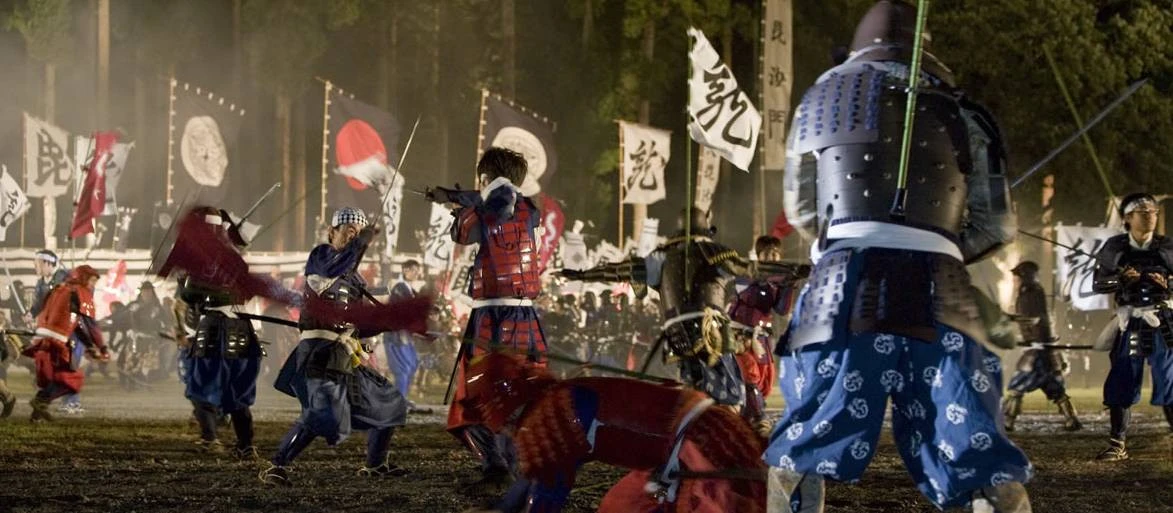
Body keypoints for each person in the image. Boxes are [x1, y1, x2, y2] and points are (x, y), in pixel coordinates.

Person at [765, 2, 1032, 511]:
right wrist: (947, 246)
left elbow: (801, 208)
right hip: (942, 287)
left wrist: (843, 242)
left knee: (807, 441)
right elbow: (995, 227)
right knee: (972, 446)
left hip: (842, 284)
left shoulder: (821, 97)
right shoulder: (964, 111)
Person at [562, 208, 808, 412]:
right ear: (705, 227)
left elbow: (619, 271)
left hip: (676, 336)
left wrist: (582, 274)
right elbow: (753, 270)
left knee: (694, 391)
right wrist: (794, 270)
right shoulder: (714, 252)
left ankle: (692, 437)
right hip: (710, 331)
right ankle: (724, 438)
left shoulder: (661, 256)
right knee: (732, 392)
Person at [462, 351, 767, 513]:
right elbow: (538, 474)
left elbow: (549, 489)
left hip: (702, 443)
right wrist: (503, 509)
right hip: (680, 449)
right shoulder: (552, 402)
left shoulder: (553, 410)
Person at [261, 207, 412, 485]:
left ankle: (376, 464)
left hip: (344, 356)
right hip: (318, 353)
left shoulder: (356, 280)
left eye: (358, 233)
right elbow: (336, 265)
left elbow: (358, 326)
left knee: (391, 403)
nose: (353, 238)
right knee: (320, 413)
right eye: (348, 232)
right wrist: (362, 242)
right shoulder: (321, 258)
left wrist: (389, 320)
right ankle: (276, 466)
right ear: (332, 232)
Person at [428, 147, 548, 486]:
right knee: (522, 390)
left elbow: (462, 234)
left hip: (491, 315)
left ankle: (497, 462)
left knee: (479, 393)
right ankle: (518, 460)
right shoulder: (531, 210)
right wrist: (455, 197)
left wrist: (456, 204)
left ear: (487, 178)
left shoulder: (483, 211)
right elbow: (500, 203)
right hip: (525, 315)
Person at [174, 207, 264, 458]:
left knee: (200, 386)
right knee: (238, 392)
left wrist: (184, 282)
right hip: (243, 330)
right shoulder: (236, 258)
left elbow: (190, 295)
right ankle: (246, 446)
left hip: (214, 328)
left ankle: (210, 438)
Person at [1090, 192, 1173, 461]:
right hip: (1131, 322)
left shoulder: (1167, 246)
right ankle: (1117, 444)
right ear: (1128, 217)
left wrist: (1168, 284)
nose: (1150, 215)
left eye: (1153, 211)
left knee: (1170, 379)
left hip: (1163, 323)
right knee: (1122, 379)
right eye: (1143, 211)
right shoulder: (1115, 248)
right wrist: (1121, 279)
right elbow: (1098, 285)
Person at [728, 235, 797, 435]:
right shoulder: (746, 273)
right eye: (767, 253)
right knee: (750, 373)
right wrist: (767, 282)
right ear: (759, 255)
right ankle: (758, 418)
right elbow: (750, 295)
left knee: (766, 381)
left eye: (775, 253)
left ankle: (750, 415)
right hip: (740, 336)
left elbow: (782, 310)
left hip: (762, 337)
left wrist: (788, 284)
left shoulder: (776, 281)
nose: (772, 257)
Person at [22, 266, 109, 422]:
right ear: (83, 278)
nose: (93, 285)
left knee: (52, 378)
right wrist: (101, 347)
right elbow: (90, 325)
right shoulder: (80, 292)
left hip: (42, 338)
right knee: (72, 379)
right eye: (92, 280)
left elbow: (77, 325)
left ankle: (36, 415)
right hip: (58, 340)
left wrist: (89, 346)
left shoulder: (57, 289)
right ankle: (41, 401)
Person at [1001, 261, 1081, 432]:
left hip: (1037, 350)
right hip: (1043, 350)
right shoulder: (1031, 292)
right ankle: (1071, 419)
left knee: (1017, 387)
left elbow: (1034, 320)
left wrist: (1008, 318)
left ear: (1025, 277)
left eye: (1016, 278)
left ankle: (1007, 421)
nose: (1014, 281)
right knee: (1055, 389)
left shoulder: (1030, 293)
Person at [383, 260, 422, 401]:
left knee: (412, 365)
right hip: (396, 336)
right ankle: (399, 401)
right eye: (414, 270)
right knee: (403, 370)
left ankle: (401, 398)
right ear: (405, 270)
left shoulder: (411, 291)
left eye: (418, 271)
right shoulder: (399, 288)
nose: (417, 273)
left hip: (406, 336)